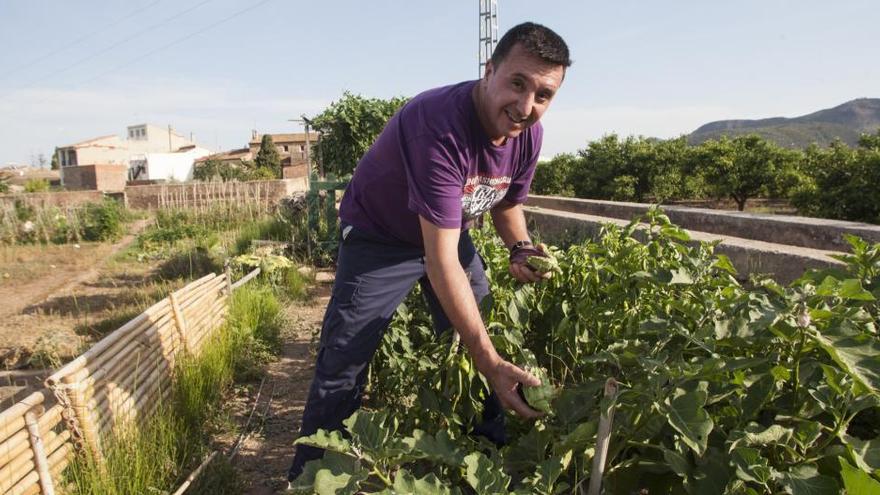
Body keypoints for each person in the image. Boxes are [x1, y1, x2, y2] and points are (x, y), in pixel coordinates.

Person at [288, 21, 571, 481]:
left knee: (482, 334)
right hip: (379, 238)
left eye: (543, 94)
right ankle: (313, 479)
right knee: (346, 356)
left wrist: (520, 247)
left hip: (446, 230)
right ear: (489, 70)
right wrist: (488, 359)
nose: (525, 106)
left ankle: (485, 465)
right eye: (517, 83)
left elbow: (507, 202)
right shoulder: (439, 126)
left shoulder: (526, 135)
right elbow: (441, 262)